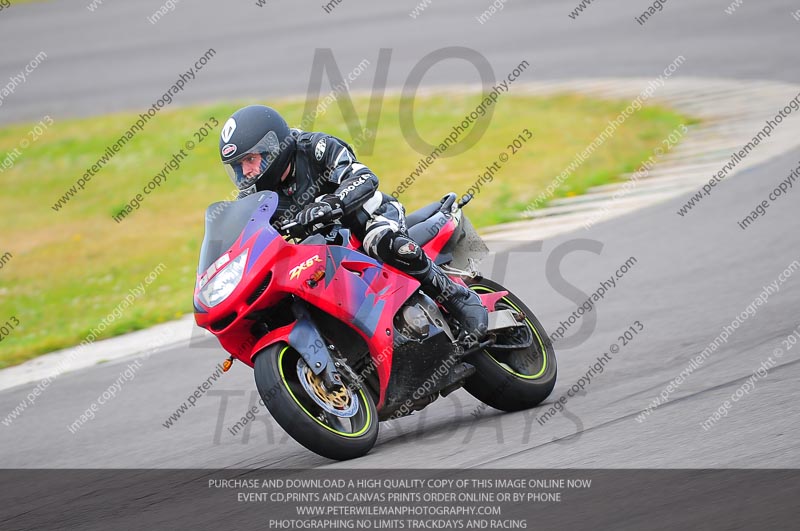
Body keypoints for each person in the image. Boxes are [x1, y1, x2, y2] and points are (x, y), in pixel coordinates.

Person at [219, 104, 488, 334]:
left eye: (251, 160)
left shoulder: (315, 147)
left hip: (370, 217)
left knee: (382, 241)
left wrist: (330, 204)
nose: (247, 171)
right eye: (239, 166)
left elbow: (363, 177)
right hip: (324, 248)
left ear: (274, 146)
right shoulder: (253, 197)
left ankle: (458, 298)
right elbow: (247, 237)